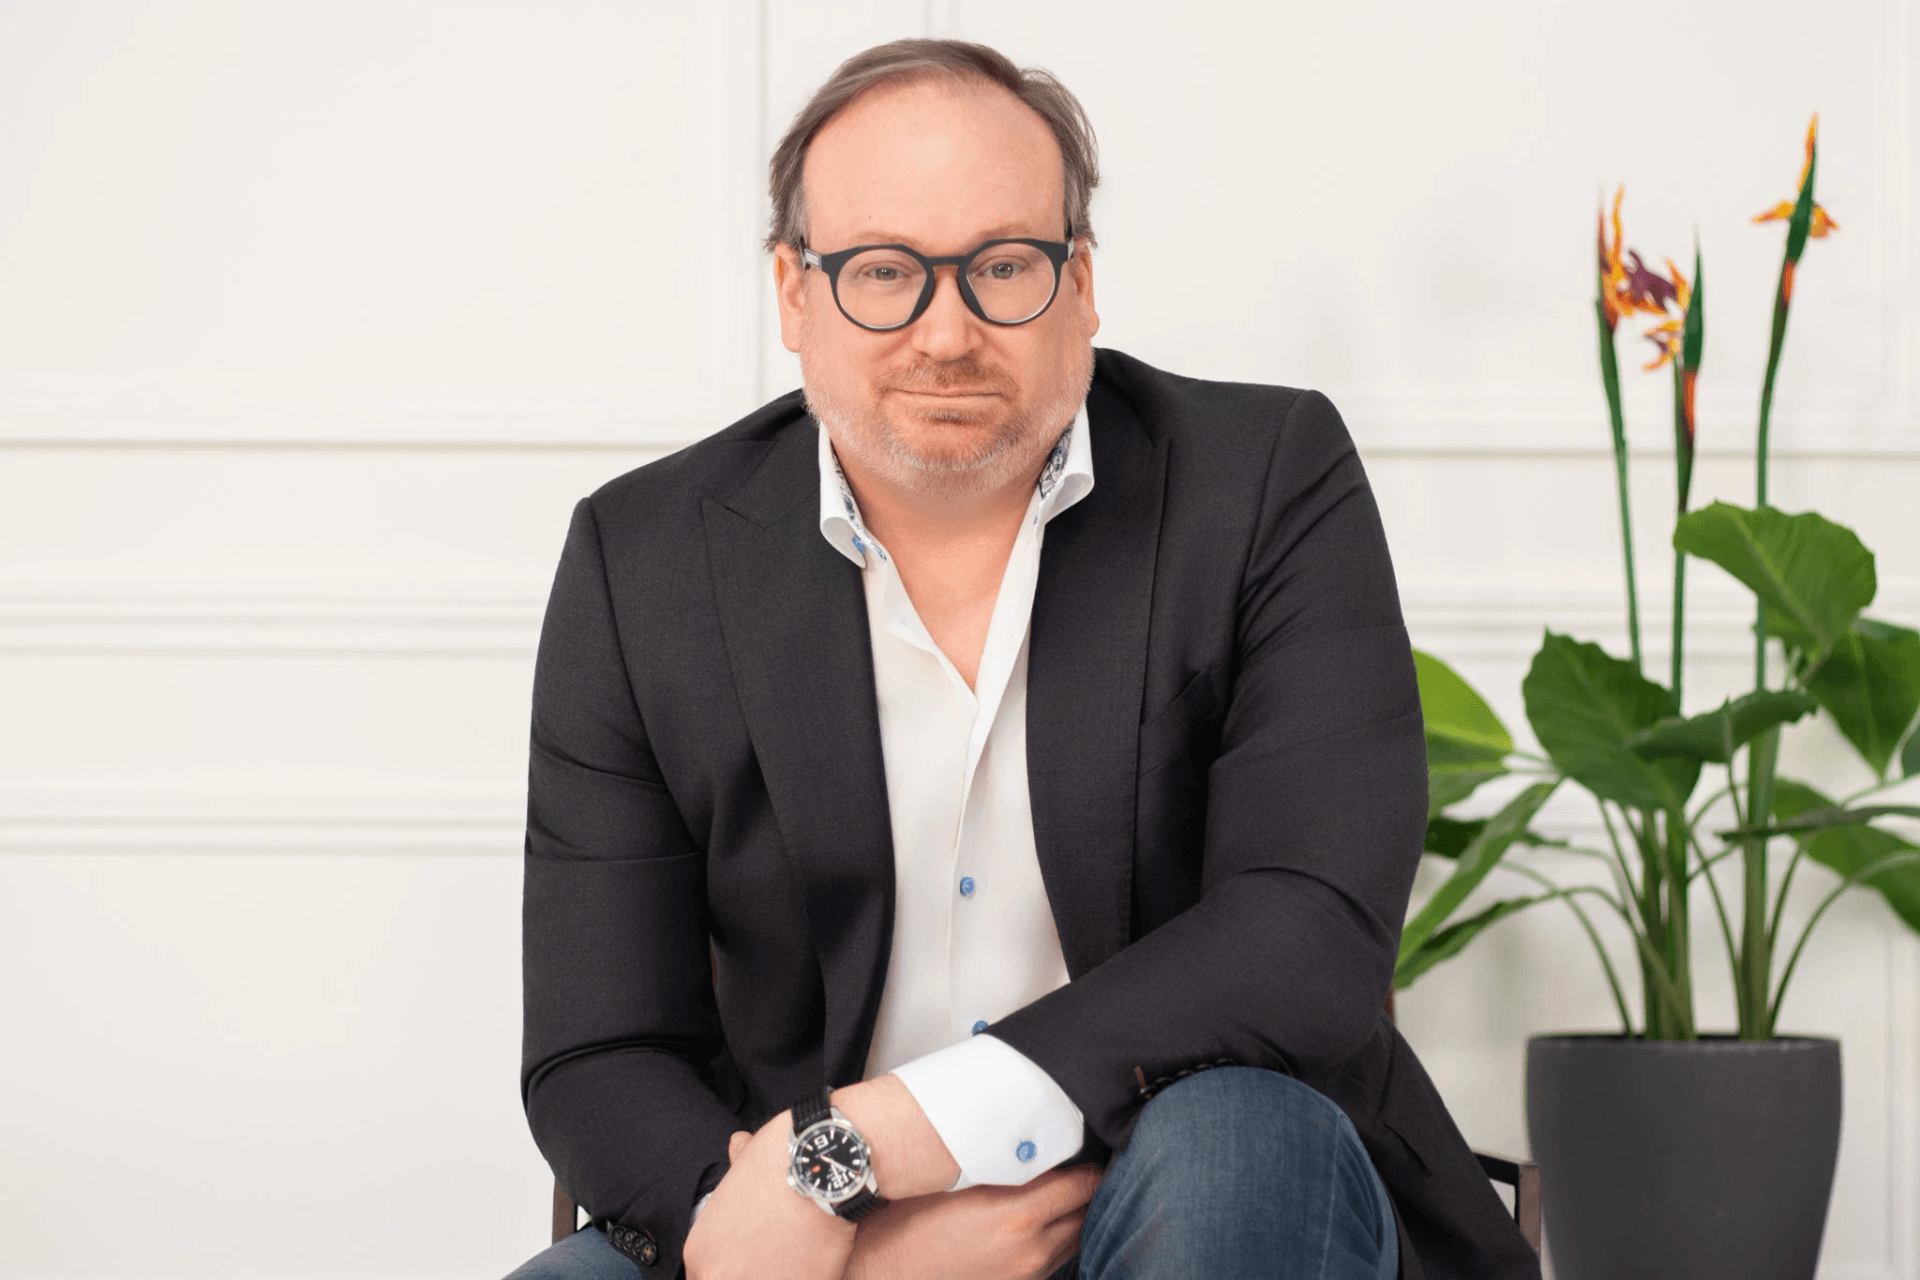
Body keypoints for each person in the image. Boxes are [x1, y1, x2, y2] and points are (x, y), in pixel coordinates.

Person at [508, 37, 1538, 1280]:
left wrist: (873, 1140)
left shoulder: (1266, 481)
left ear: (1081, 283)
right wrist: (860, 1249)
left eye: (1003, 266)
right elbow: (600, 1045)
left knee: (1235, 1142)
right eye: (883, 271)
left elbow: (1306, 928)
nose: (946, 332)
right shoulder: (643, 559)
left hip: (1170, 1185)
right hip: (814, 1237)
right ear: (794, 293)